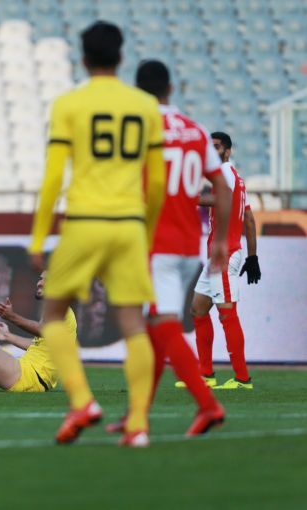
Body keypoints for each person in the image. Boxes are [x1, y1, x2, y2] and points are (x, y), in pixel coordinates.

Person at [27, 21, 166, 447]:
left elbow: (53, 178)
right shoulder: (145, 106)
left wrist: (38, 238)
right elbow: (156, 181)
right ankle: (138, 424)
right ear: (121, 58)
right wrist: (148, 232)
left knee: (53, 314)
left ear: (83, 59)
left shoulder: (69, 104)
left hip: (85, 222)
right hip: (129, 225)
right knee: (134, 324)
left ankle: (83, 401)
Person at [105, 60, 232, 437]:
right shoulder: (196, 130)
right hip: (188, 245)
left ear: (138, 92)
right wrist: (221, 239)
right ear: (170, 89)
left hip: (154, 245)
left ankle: (208, 406)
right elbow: (222, 187)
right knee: (154, 332)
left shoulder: (138, 129)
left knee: (164, 328)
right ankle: (136, 413)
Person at [185, 131, 260, 390]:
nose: (212, 150)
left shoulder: (224, 172)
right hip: (219, 256)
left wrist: (188, 198)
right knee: (198, 309)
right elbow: (248, 219)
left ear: (227, 151)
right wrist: (252, 256)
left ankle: (242, 379)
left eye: (216, 146)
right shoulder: (236, 178)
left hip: (225, 254)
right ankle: (206, 374)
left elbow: (221, 200)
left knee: (227, 314)